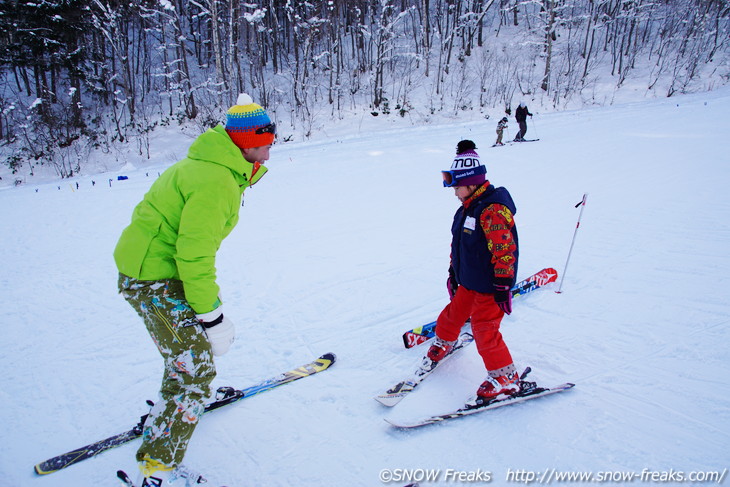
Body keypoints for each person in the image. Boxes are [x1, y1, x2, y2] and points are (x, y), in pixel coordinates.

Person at [113, 93, 275, 487]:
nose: (272, 147)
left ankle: (173, 404)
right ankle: (156, 468)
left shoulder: (215, 165)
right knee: (196, 369)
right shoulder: (216, 179)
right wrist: (212, 316)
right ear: (244, 143)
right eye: (266, 140)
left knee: (188, 356)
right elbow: (194, 255)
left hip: (156, 269)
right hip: (151, 278)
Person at [428, 140, 521, 404]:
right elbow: (458, 245)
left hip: (491, 286)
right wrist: (453, 273)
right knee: (452, 314)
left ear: (472, 184)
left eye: (457, 186)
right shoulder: (466, 209)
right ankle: (445, 341)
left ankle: (505, 376)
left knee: (484, 330)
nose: (454, 191)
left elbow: (504, 251)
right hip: (469, 280)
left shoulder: (492, 211)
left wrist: (503, 286)